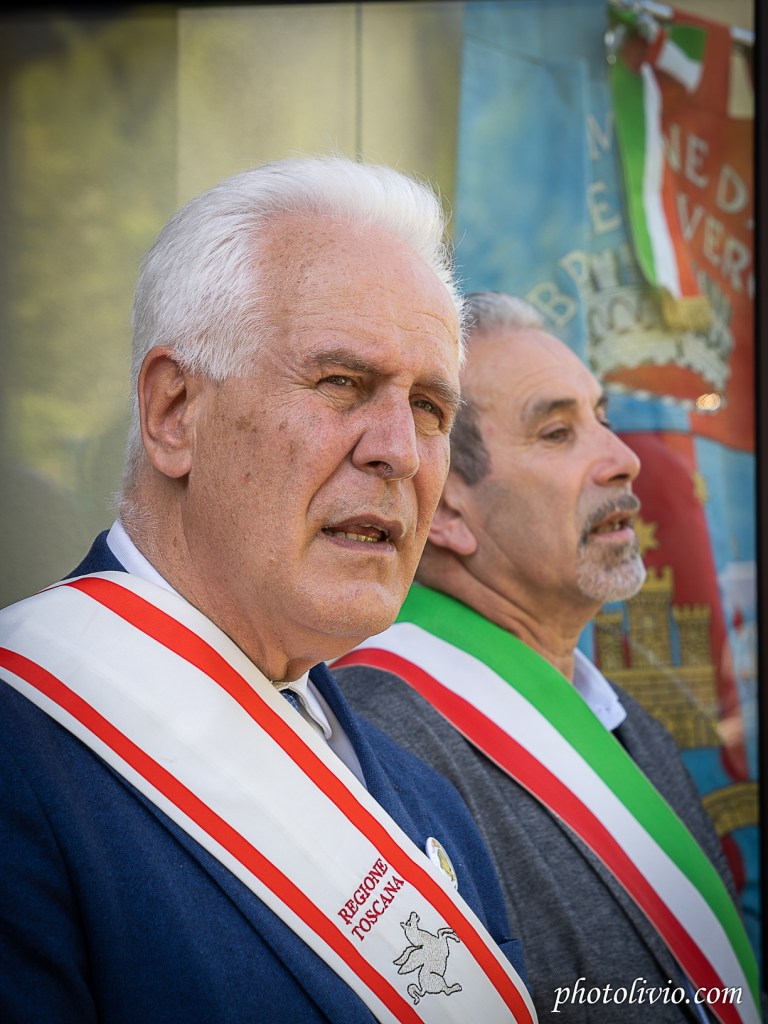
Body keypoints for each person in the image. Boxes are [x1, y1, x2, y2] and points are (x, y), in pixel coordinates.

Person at [0, 165, 537, 1024]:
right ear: (175, 411)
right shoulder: (22, 759)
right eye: (341, 383)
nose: (399, 450)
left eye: (431, 406)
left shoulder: (427, 799)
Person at [333, 291, 761, 1023]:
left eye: (602, 419)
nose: (624, 459)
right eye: (558, 432)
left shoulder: (628, 724)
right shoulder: (378, 748)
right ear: (448, 508)